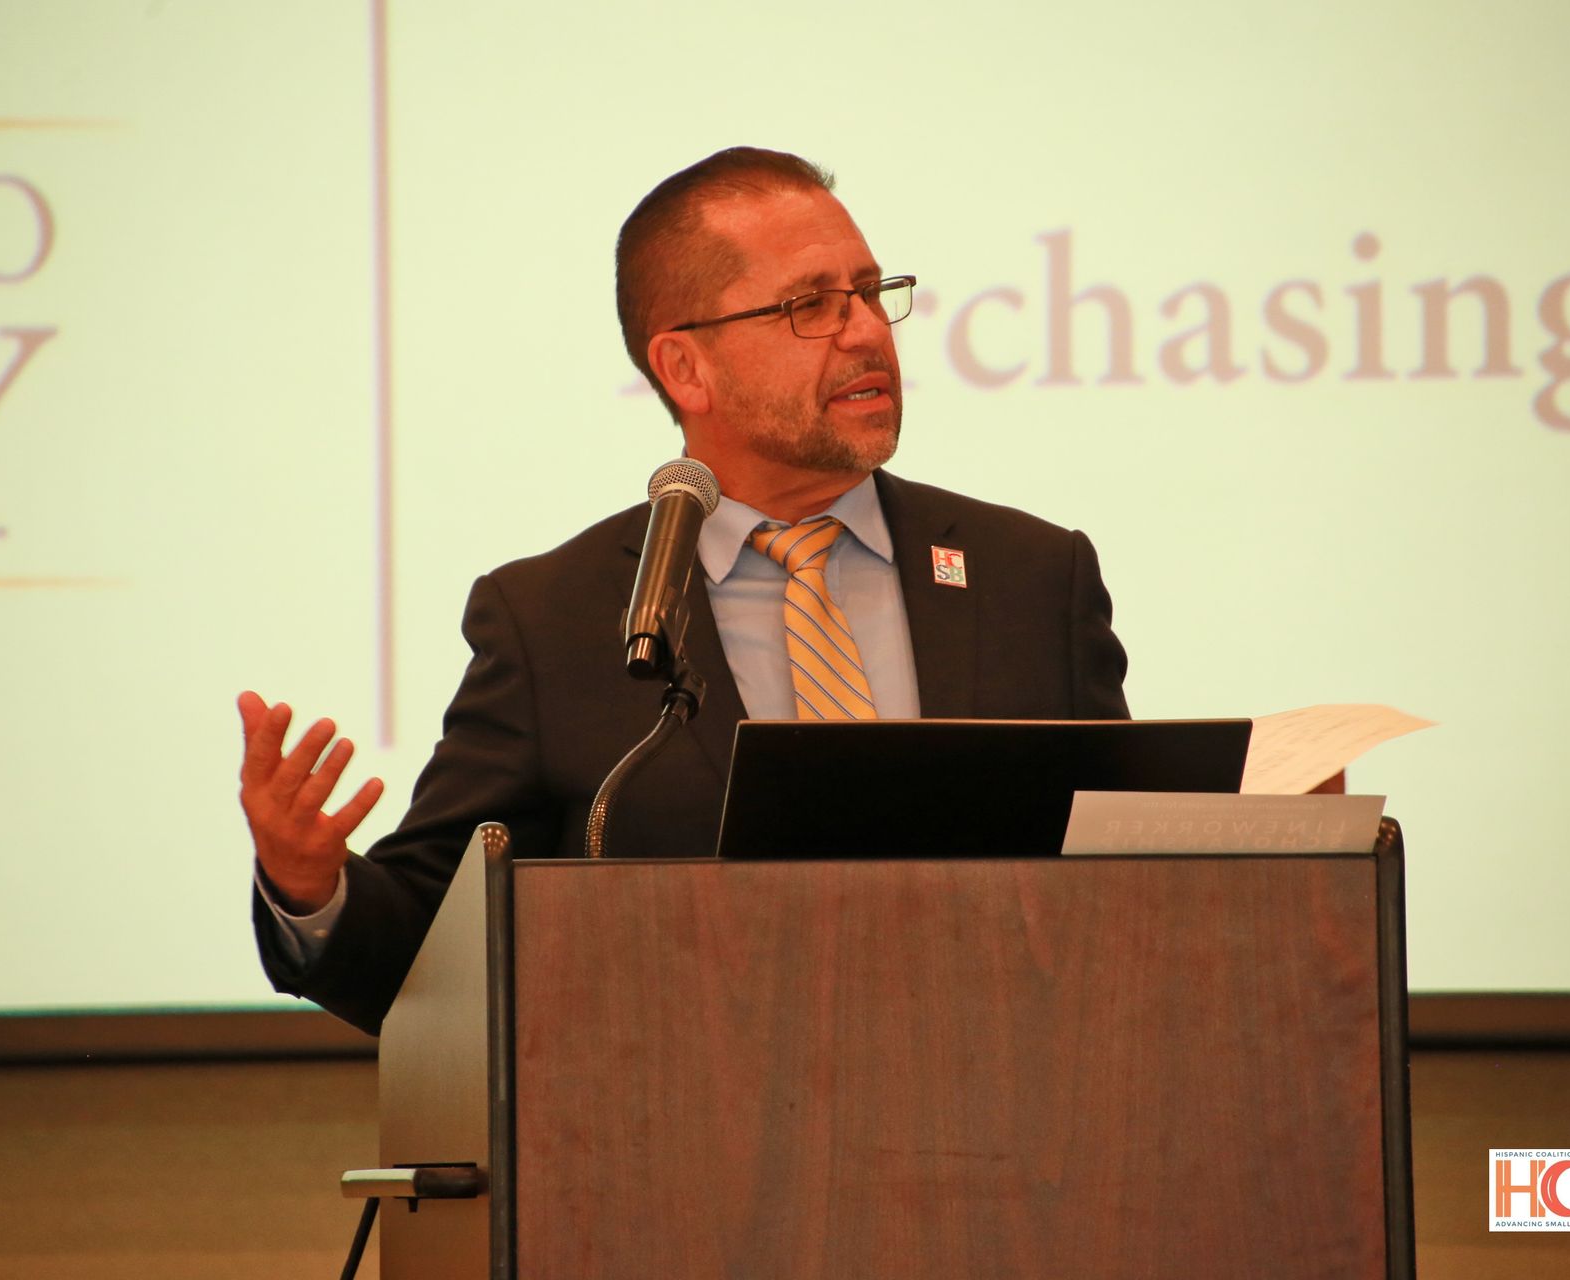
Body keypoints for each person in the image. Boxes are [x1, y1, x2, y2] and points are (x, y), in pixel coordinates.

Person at [240, 148, 1131, 1034]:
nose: (865, 331)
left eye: (869, 292)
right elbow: (427, 951)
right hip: (696, 1138)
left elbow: (1136, 887)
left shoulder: (1033, 577)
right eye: (810, 305)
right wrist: (312, 885)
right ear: (685, 369)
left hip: (1013, 1125)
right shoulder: (555, 619)